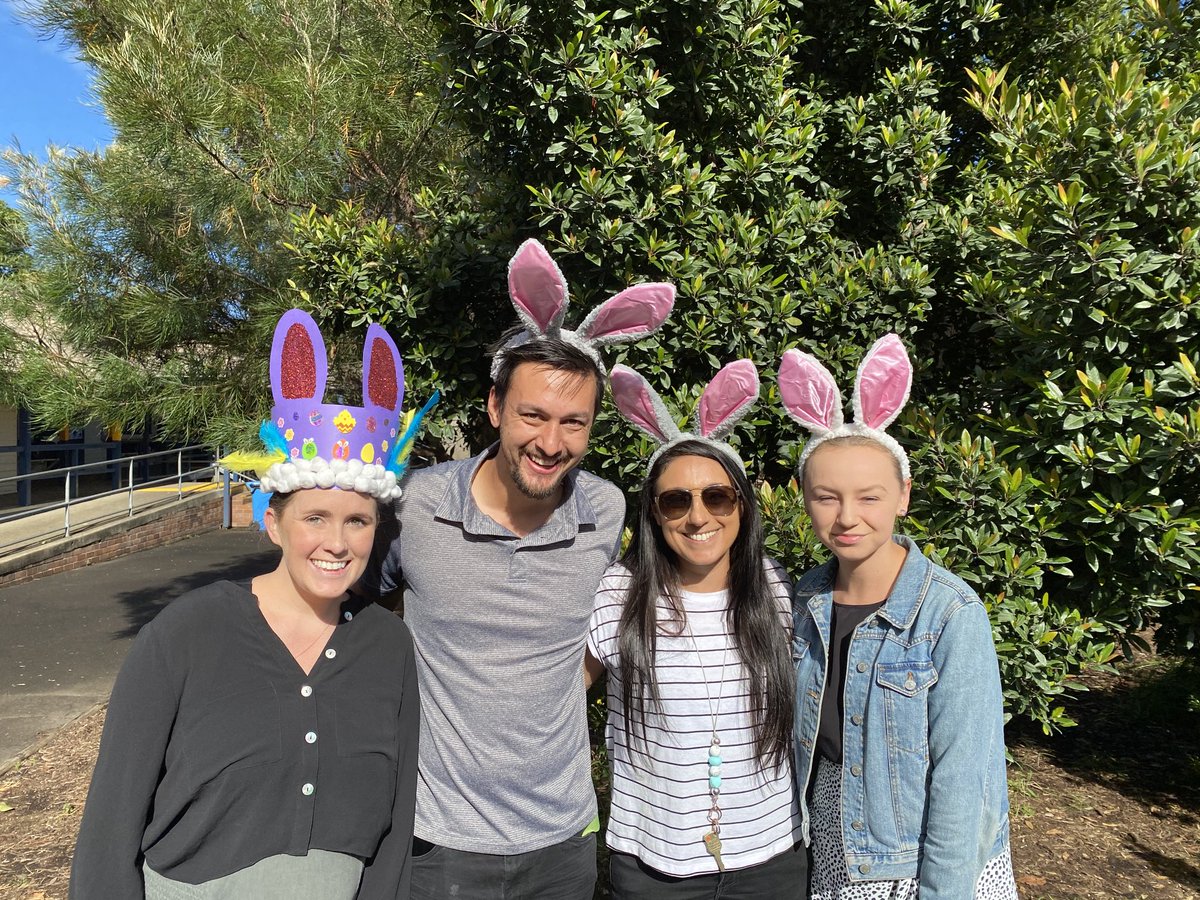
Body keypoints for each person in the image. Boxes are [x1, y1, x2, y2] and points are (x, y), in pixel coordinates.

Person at [70, 309, 435, 899]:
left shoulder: (387, 645)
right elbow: (110, 828)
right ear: (273, 522)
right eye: (314, 517)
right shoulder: (185, 633)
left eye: (357, 522)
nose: (336, 543)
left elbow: (396, 826)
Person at [367, 239, 675, 898]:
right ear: (495, 408)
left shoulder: (604, 510)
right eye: (532, 414)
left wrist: (565, 688)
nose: (550, 442)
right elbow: (348, 611)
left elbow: (608, 626)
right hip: (436, 844)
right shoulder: (418, 504)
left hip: (562, 842)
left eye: (574, 423)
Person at [778, 334, 1019, 900]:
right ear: (804, 497)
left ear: (903, 496)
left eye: (869, 497)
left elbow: (965, 778)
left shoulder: (949, 614)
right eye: (826, 497)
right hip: (831, 841)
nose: (846, 517)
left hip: (920, 859)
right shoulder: (803, 600)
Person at [585, 361, 805, 898]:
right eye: (675, 500)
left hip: (774, 858)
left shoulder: (778, 587)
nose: (698, 516)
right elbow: (558, 699)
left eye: (717, 496)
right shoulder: (619, 592)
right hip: (654, 865)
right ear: (654, 514)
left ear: (743, 506)